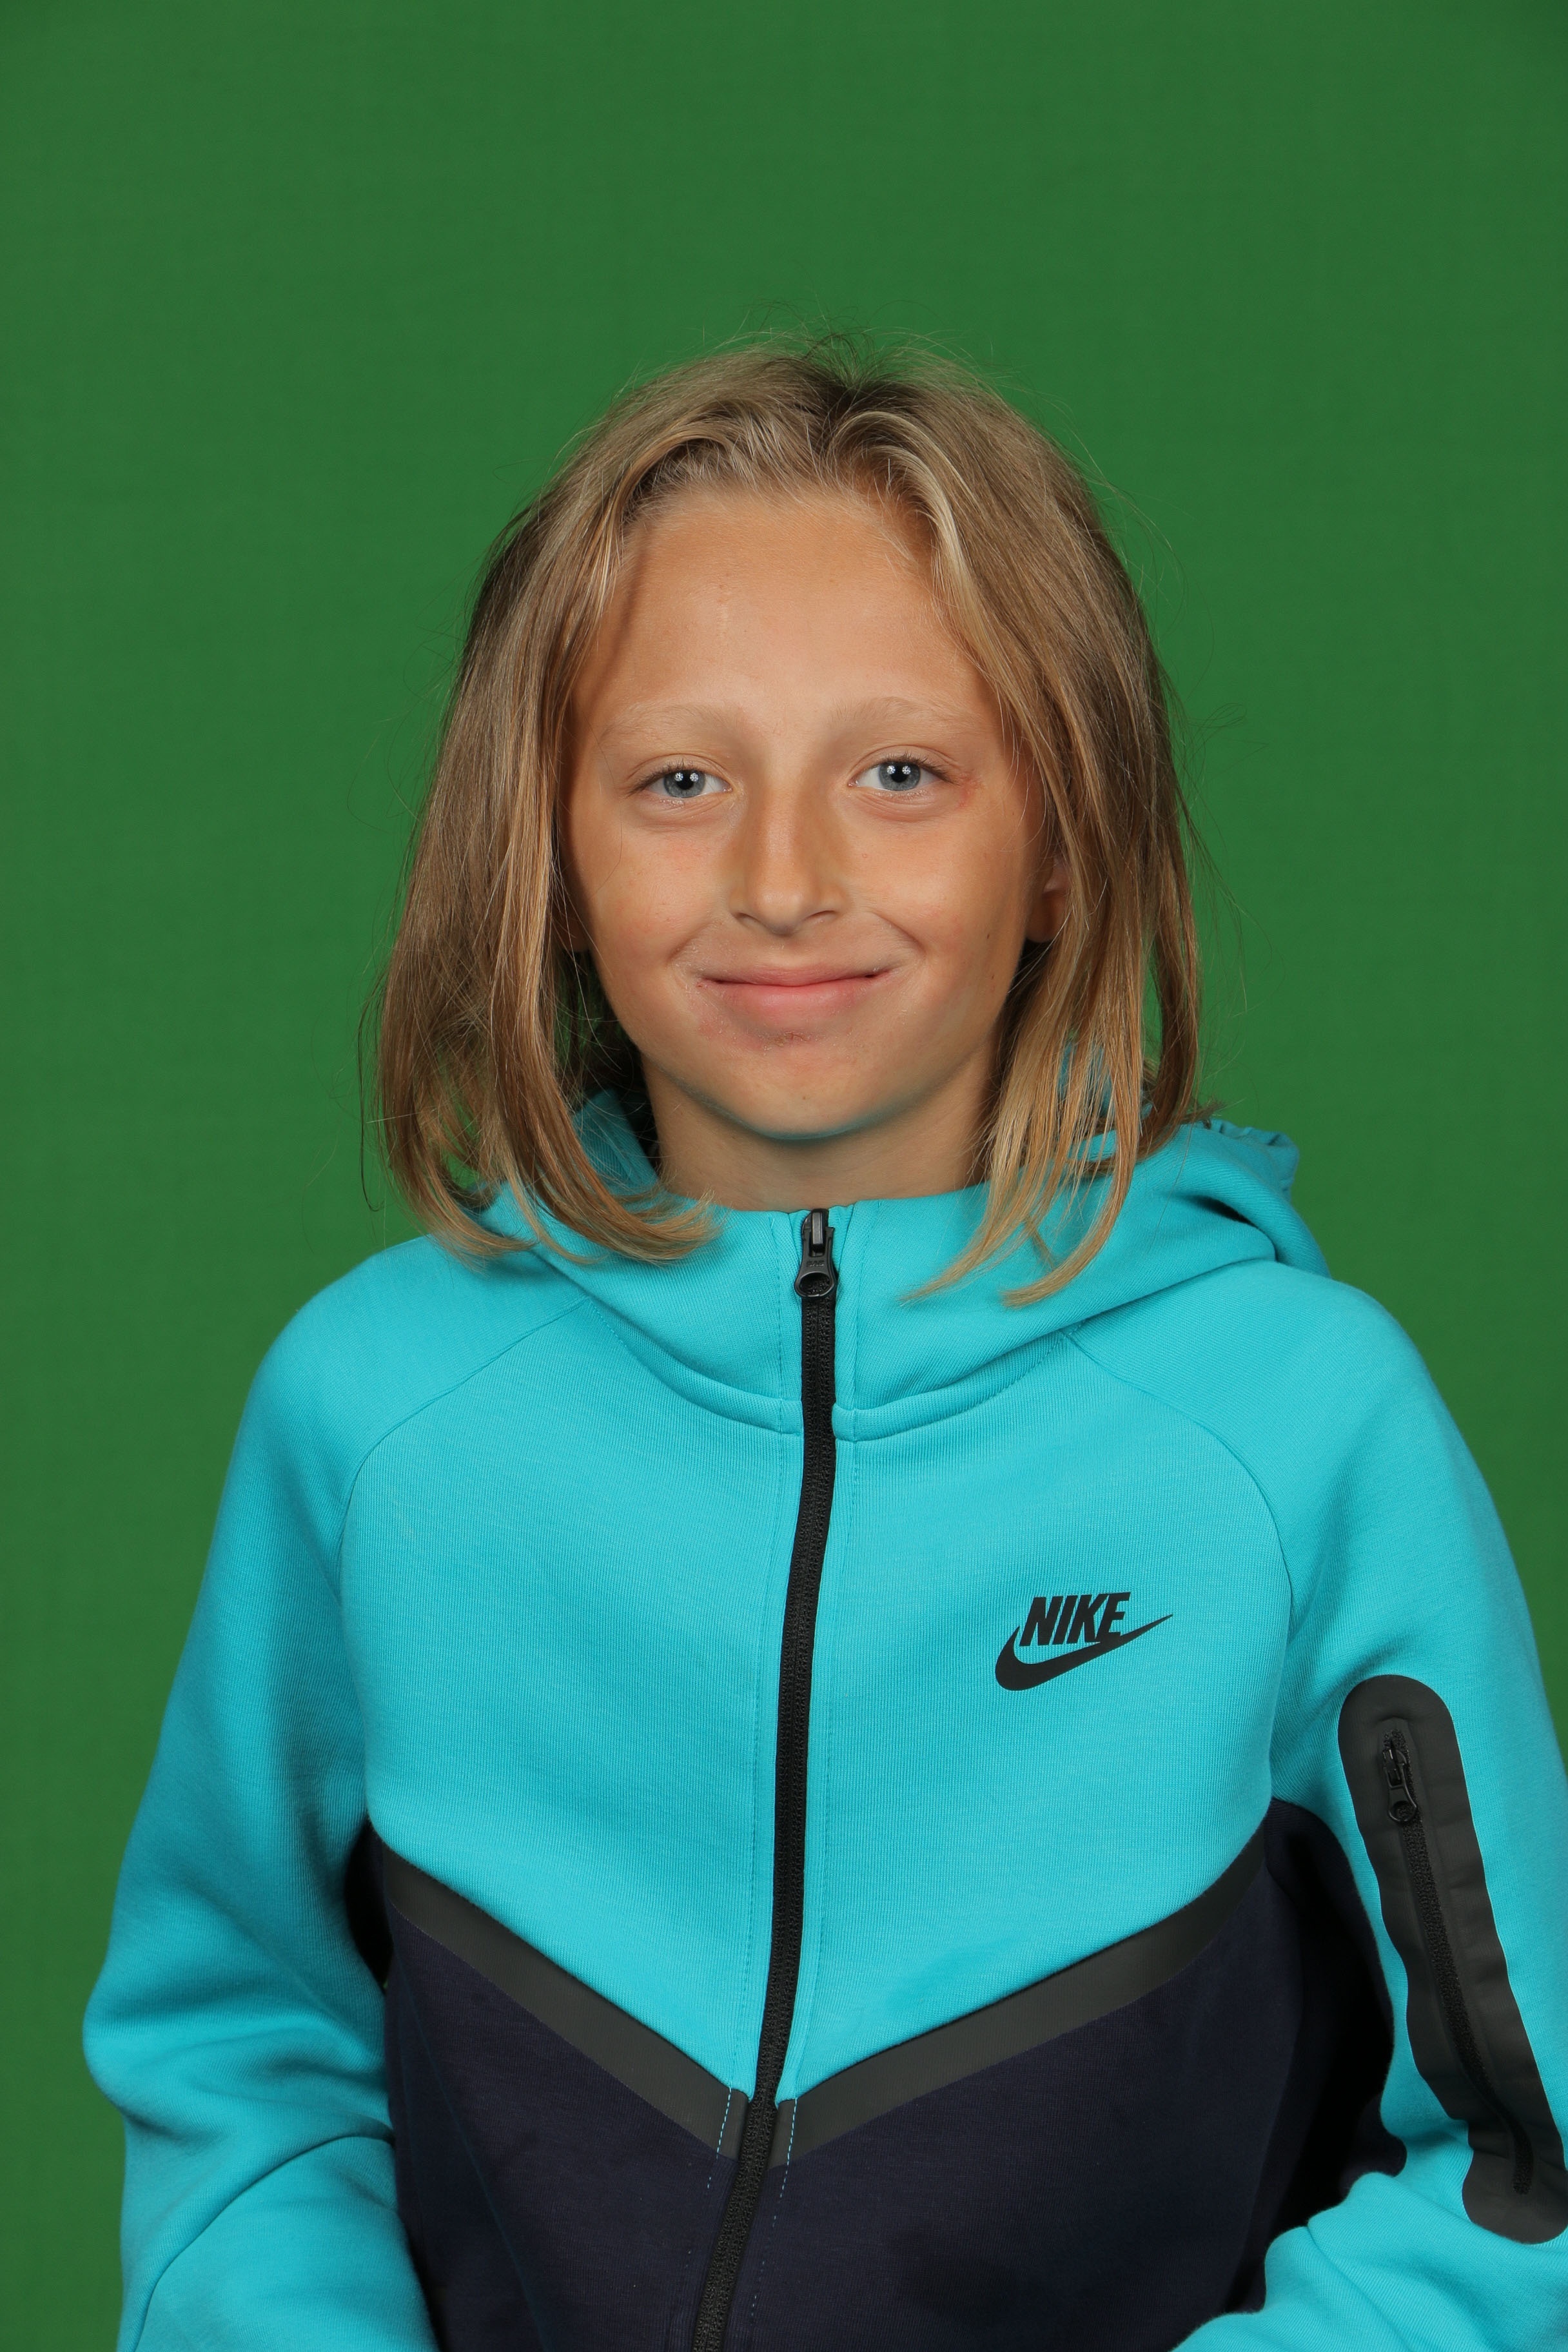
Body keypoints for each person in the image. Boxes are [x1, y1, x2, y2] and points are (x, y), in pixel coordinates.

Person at [85, 342, 1568, 2352]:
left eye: (902, 775)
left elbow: (1519, 2177)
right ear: (551, 851)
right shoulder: (373, 1415)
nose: (784, 884)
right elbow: (241, 2053)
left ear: (1062, 843)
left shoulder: (1304, 1432)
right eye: (680, 781)